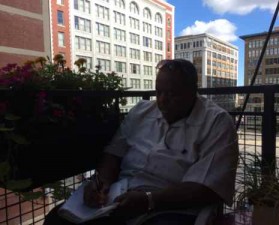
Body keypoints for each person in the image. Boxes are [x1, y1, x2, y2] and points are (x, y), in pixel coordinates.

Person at [44, 59, 239, 225]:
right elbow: (113, 153)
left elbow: (208, 187)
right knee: (56, 219)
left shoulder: (216, 122)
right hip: (120, 198)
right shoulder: (141, 111)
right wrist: (101, 183)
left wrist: (149, 201)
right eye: (158, 91)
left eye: (172, 94)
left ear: (193, 91)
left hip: (172, 207)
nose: (162, 100)